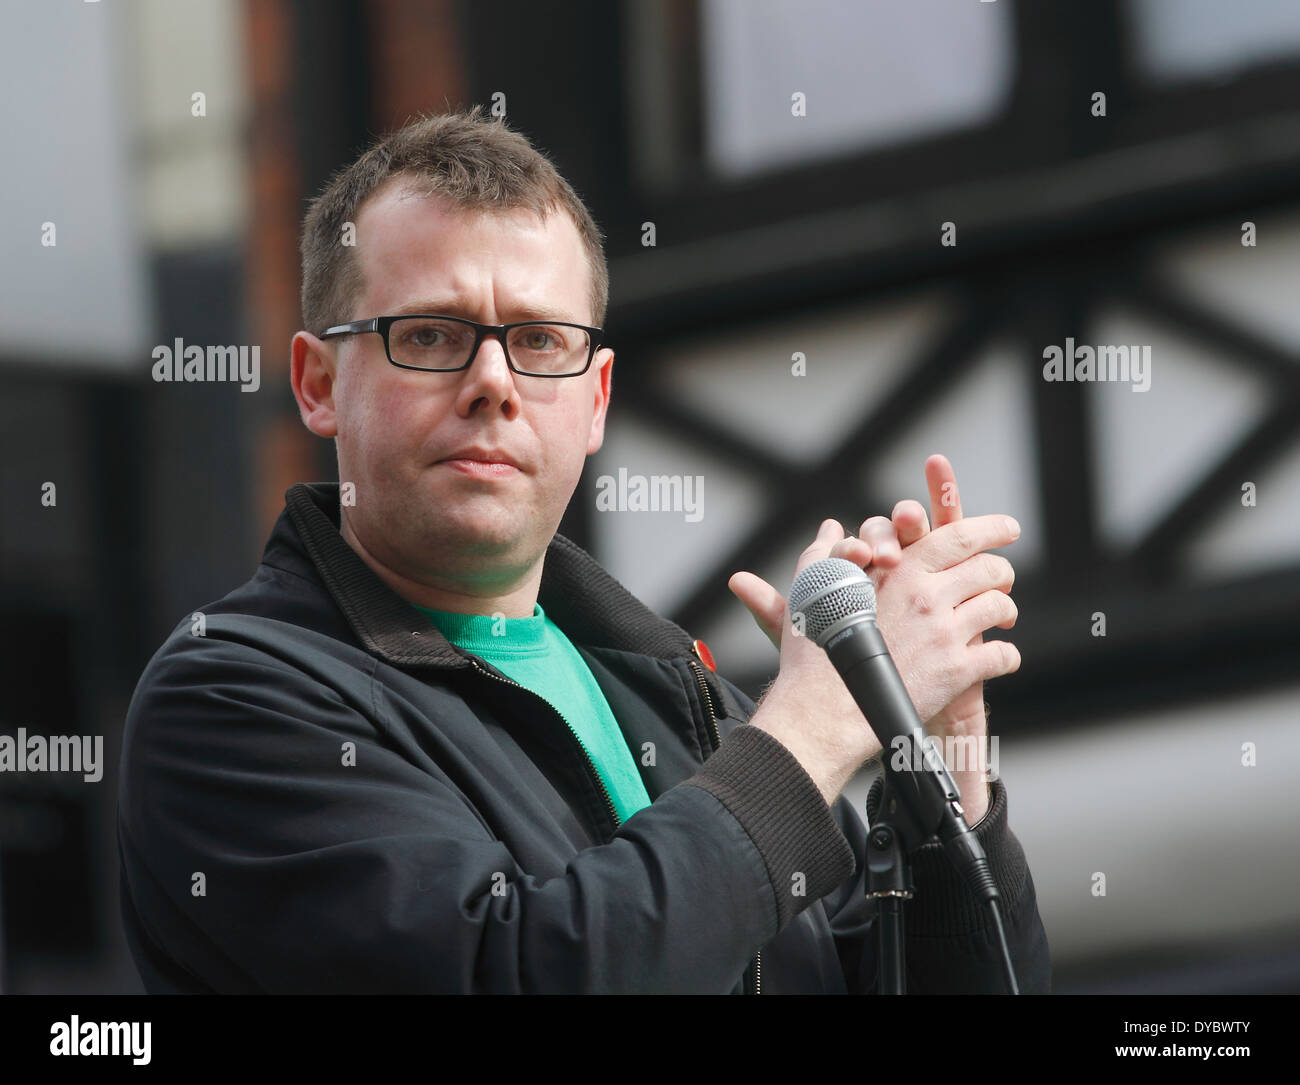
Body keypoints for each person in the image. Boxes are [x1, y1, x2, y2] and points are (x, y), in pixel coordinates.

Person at [117, 107, 1051, 994]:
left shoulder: (691, 709)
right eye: (433, 335)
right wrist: (811, 725)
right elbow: (526, 975)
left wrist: (940, 762)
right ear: (319, 383)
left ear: (597, 398)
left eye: (538, 341)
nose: (494, 383)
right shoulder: (231, 696)